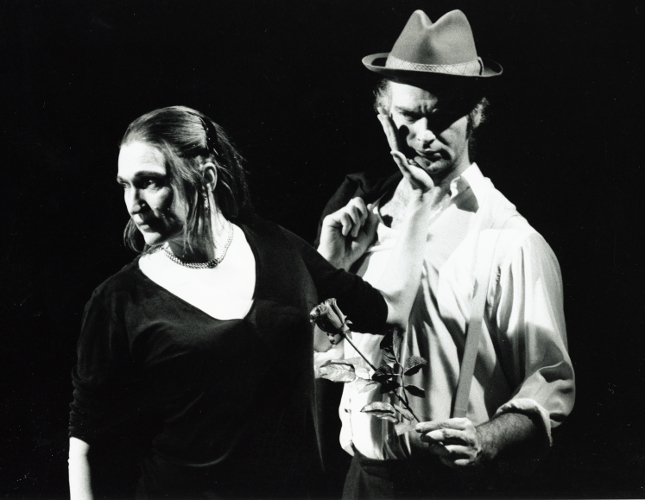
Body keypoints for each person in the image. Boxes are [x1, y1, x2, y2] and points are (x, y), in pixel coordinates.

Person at [67, 105, 439, 499]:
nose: (133, 202)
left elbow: (390, 310)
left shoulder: (278, 246)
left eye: (149, 182)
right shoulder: (118, 301)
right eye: (125, 185)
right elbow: (87, 443)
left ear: (206, 177)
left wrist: (421, 199)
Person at [314, 10, 575, 499]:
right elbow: (320, 357)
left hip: (450, 487)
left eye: (441, 116)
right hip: (363, 482)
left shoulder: (508, 239)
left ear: (475, 114)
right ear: (384, 114)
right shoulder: (363, 220)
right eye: (408, 116)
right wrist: (330, 271)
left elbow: (550, 383)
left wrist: (487, 439)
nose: (422, 134)